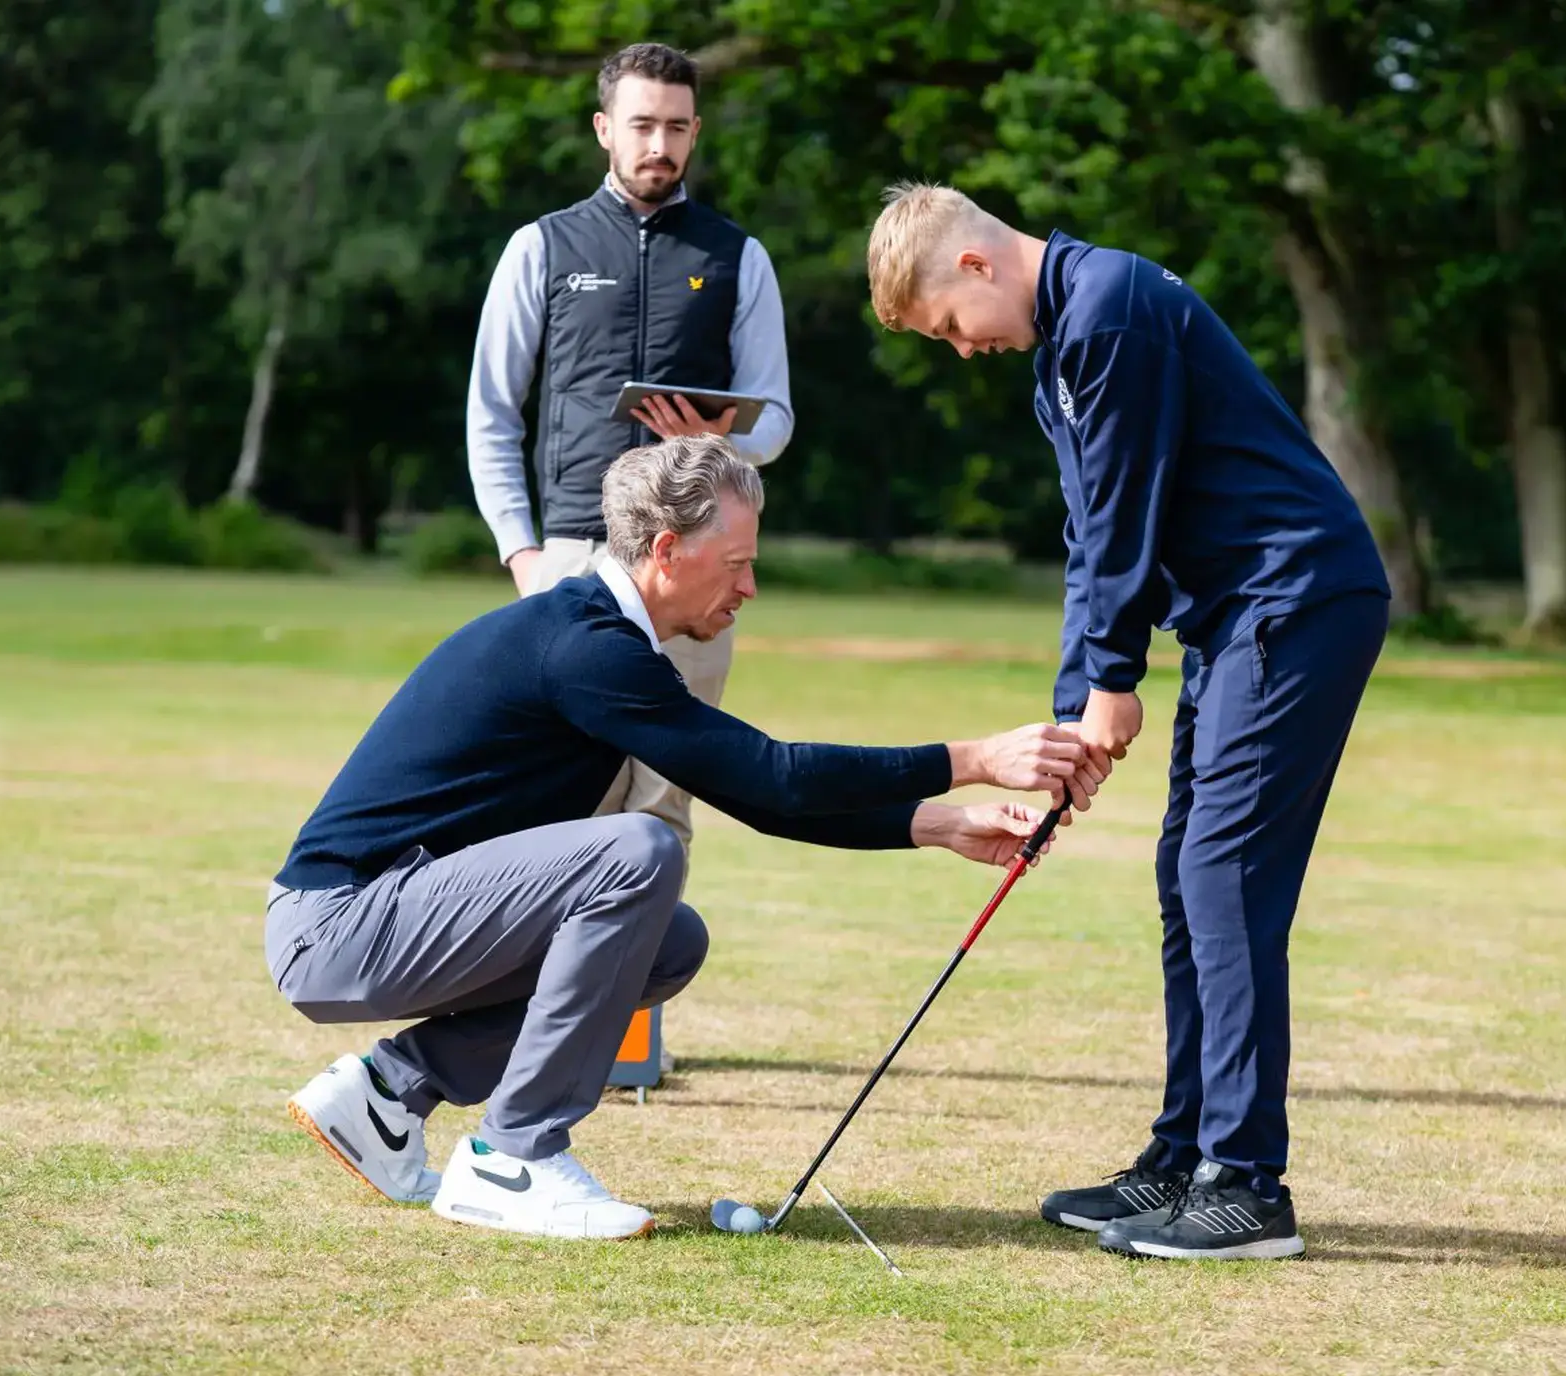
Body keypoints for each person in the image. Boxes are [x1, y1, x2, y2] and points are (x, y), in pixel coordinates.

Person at [267, 436, 1094, 1241]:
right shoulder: (586, 647)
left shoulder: (604, 640)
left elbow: (759, 795)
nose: (750, 587)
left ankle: (386, 1095)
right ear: (667, 549)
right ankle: (514, 1158)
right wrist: (973, 759)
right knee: (638, 851)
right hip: (338, 925)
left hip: (372, 916)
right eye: (736, 564)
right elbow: (775, 774)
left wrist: (943, 824)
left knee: (668, 942)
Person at [866, 184, 1392, 1262]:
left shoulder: (1110, 311)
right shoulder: (1066, 351)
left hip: (1293, 600)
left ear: (974, 265)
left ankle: (1245, 1184)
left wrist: (1115, 676)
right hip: (1235, 617)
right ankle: (1185, 1156)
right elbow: (1089, 536)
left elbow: (1126, 520)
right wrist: (1074, 715)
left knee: (1223, 876)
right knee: (1186, 875)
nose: (962, 350)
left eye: (950, 326)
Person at [466, 41, 790, 861]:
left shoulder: (738, 257)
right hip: (574, 559)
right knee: (553, 804)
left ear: (696, 132)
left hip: (695, 564)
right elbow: (492, 415)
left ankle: (642, 954)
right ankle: (542, 956)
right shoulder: (541, 247)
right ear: (604, 128)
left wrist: (721, 439)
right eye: (642, 125)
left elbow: (776, 419)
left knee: (662, 810)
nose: (659, 145)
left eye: (677, 127)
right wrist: (524, 556)